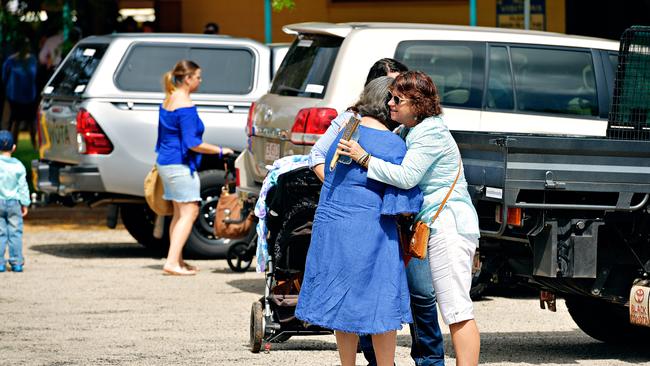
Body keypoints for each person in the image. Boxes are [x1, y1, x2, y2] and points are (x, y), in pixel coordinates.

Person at [308, 58, 445, 366]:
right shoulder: (392, 145)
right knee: (381, 306)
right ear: (388, 103)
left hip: (333, 230)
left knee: (344, 304)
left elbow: (325, 172)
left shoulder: (346, 133)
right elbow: (402, 203)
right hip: (374, 233)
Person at [338, 71, 481, 365]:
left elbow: (405, 177)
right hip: (435, 225)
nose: (390, 103)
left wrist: (363, 157)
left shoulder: (431, 133)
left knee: (456, 310)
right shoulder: (409, 130)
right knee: (448, 306)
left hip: (449, 226)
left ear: (417, 104)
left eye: (397, 99)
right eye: (390, 97)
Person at [155, 60, 233, 276]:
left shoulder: (169, 99)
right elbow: (193, 143)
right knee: (190, 211)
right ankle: (172, 262)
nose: (200, 80)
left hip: (165, 161)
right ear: (188, 79)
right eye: (198, 77)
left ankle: (177, 259)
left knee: (179, 213)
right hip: (180, 165)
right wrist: (220, 150)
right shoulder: (186, 106)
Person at [0, 130, 30, 273]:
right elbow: (23, 187)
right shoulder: (18, 166)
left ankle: (0, 263)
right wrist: (25, 203)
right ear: (14, 148)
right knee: (15, 233)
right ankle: (16, 262)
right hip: (14, 203)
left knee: (0, 233)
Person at [3, 37, 38, 148]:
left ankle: (35, 145)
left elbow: (36, 75)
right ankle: (13, 145)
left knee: (31, 121)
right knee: (15, 121)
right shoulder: (11, 61)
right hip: (15, 97)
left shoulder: (32, 59)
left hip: (30, 97)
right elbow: (4, 77)